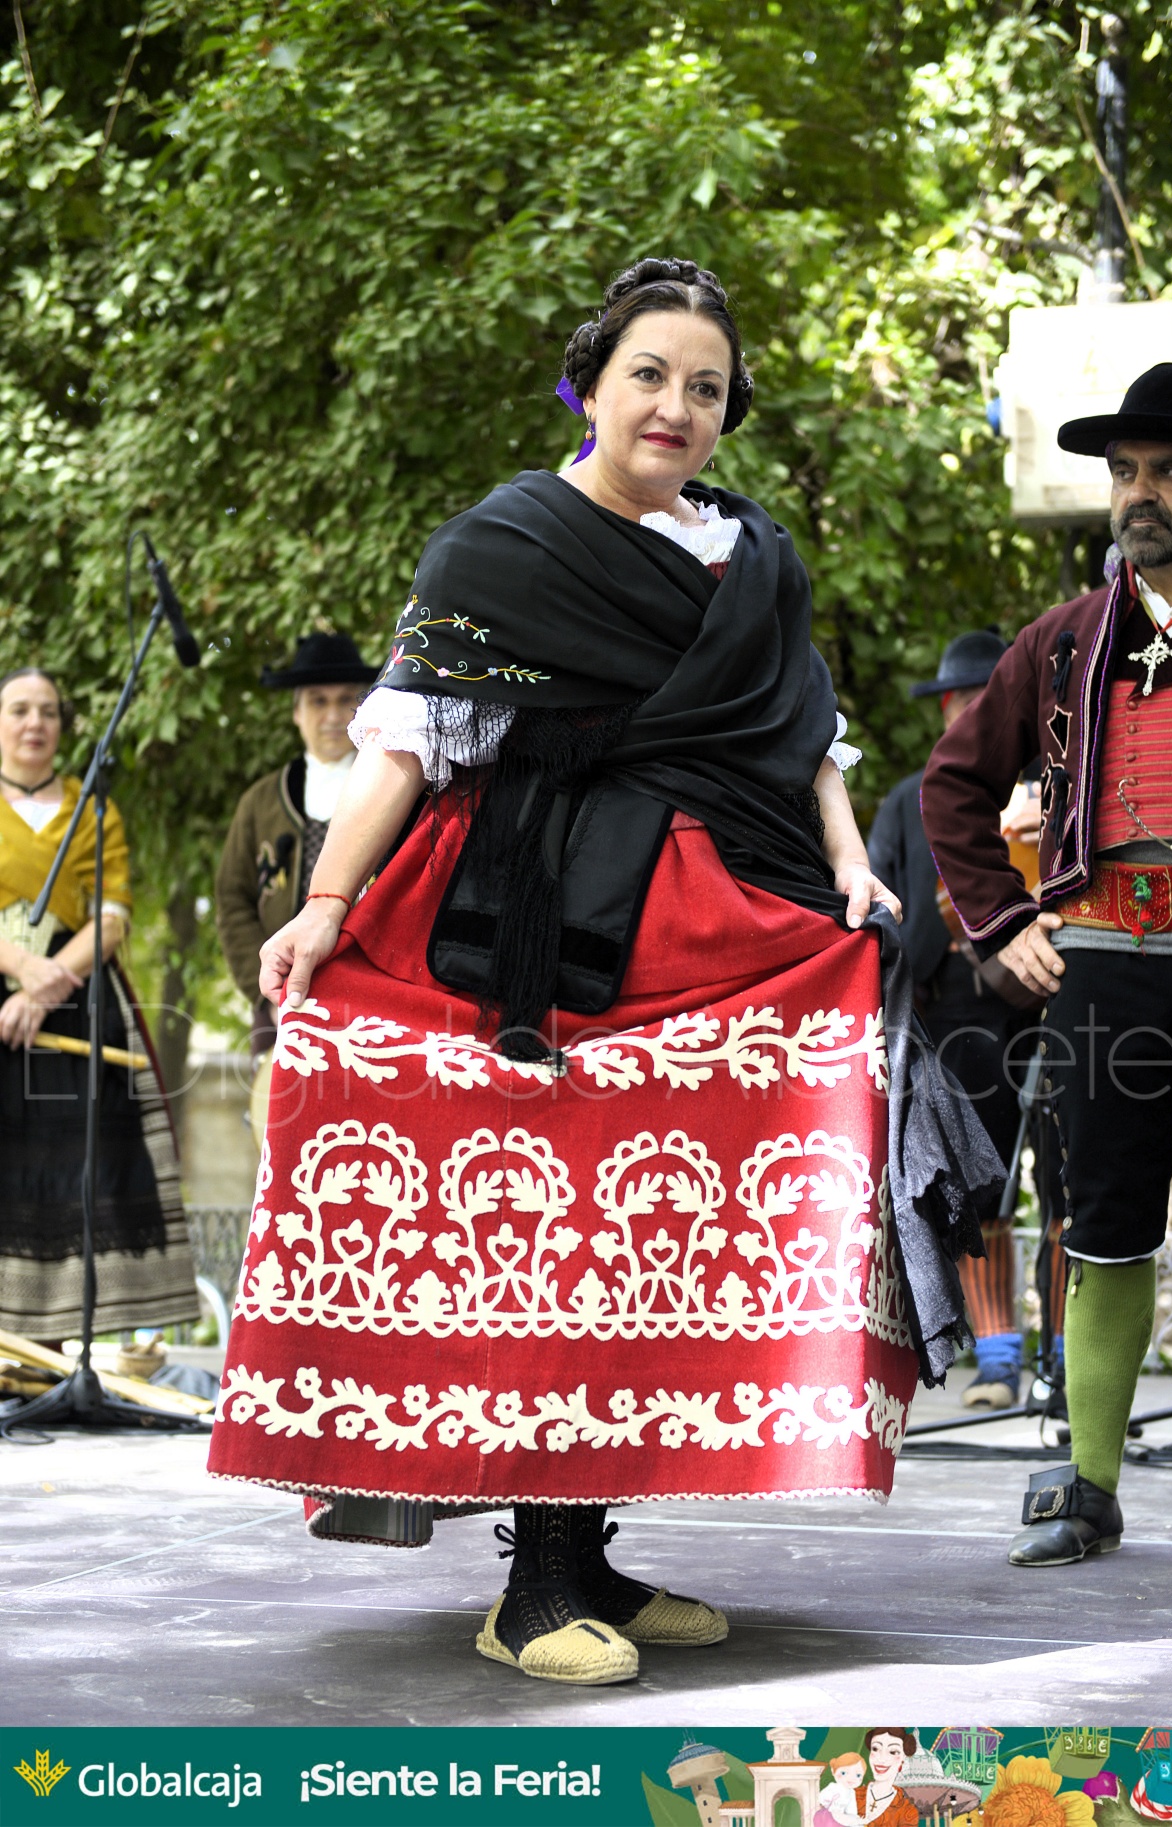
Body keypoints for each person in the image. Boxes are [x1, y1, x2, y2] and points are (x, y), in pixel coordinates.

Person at [209, 256, 994, 1686]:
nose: (676, 406)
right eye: (650, 374)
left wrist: (850, 867)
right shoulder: (500, 545)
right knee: (541, 1228)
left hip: (715, 909)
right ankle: (535, 1588)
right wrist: (325, 904)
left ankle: (590, 1555)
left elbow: (802, 737)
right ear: (591, 385)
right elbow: (408, 739)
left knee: (651, 1239)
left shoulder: (750, 555)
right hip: (526, 912)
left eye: (707, 387)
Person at [922, 359, 1172, 1565]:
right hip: (1106, 962)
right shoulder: (1065, 639)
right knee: (1104, 1221)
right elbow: (952, 787)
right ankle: (1088, 1485)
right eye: (1128, 472)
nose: (1142, 493)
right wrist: (1002, 922)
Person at [869, 632, 1066, 1410]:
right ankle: (997, 1358)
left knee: (1066, 1179)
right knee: (979, 1179)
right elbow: (883, 896)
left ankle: (1063, 1359)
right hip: (952, 1003)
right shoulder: (909, 797)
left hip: (1054, 991)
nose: (970, 710)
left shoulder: (1059, 785)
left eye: (985, 697)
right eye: (961, 699)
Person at [0, 667, 197, 1344]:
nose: (35, 722)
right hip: (13, 984)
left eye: (48, 711)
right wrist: (22, 970)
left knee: (71, 1170)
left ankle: (53, 1354)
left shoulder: (94, 809)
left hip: (78, 1003)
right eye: (19, 709)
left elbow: (111, 919)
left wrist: (46, 983)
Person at [214, 633, 377, 1132]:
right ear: (296, 713)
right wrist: (266, 990)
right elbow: (233, 900)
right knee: (280, 1133)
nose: (332, 715)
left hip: (374, 994)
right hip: (281, 997)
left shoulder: (393, 792)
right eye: (317, 701)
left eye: (346, 699)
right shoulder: (261, 802)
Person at [858, 1731, 918, 1827]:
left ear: (903, 1758)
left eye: (893, 1752)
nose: (881, 1759)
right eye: (875, 1749)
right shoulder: (851, 1794)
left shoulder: (907, 1812)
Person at [816, 1754, 868, 1827]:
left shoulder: (851, 1792)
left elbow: (851, 1811)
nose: (851, 1778)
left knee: (855, 1821)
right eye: (844, 1773)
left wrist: (854, 1819)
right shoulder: (833, 1787)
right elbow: (819, 1801)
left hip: (841, 1819)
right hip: (827, 1816)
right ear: (833, 1771)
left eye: (858, 1775)